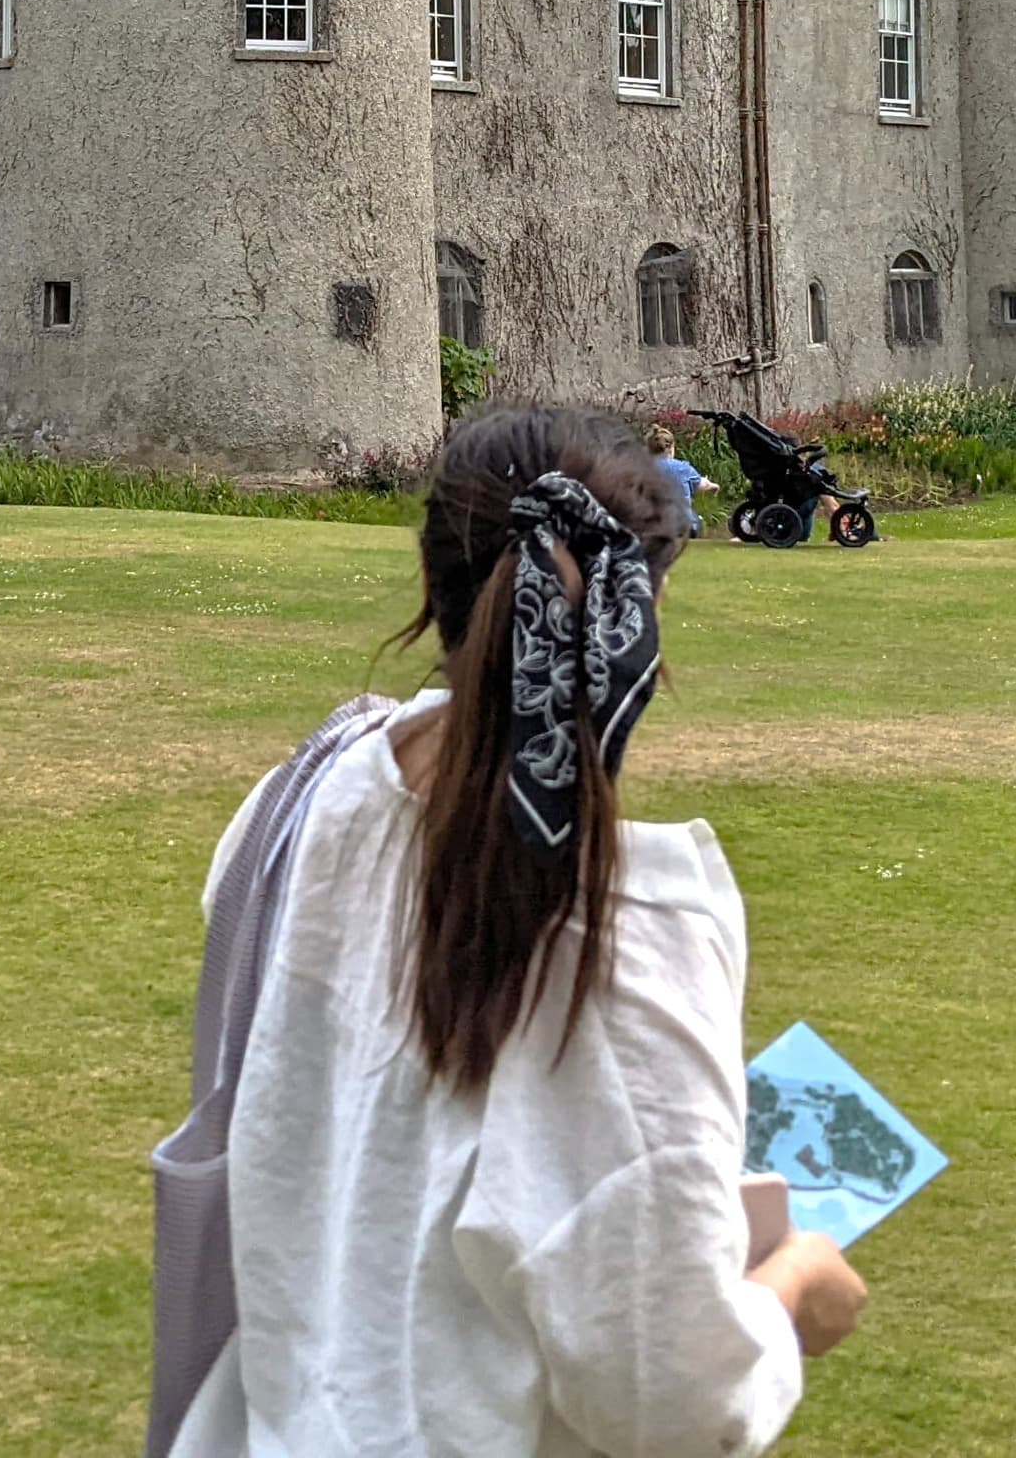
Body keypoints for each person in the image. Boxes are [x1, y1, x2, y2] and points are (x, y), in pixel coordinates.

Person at [173, 406, 865, 1456]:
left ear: (432, 580)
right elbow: (672, 1399)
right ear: (645, 610)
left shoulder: (297, 805)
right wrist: (795, 1288)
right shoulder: (622, 940)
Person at [644, 416, 708, 535]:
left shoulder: (640, 467)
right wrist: (712, 485)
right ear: (671, 448)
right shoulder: (683, 468)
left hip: (649, 523)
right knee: (695, 519)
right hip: (681, 523)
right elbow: (702, 485)